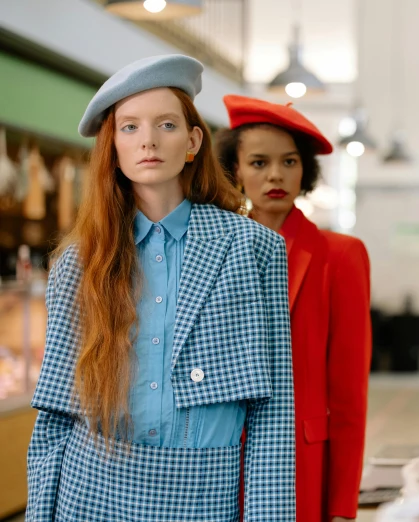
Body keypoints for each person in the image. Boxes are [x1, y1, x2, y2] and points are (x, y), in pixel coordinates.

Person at [26, 55, 295, 521]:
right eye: (129, 128)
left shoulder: (254, 248)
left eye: (166, 124)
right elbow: (56, 411)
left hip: (204, 495)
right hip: (90, 491)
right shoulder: (79, 261)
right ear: (112, 147)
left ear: (193, 141)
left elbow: (274, 410)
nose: (147, 140)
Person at [217, 95, 372, 522]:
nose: (275, 176)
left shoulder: (340, 256)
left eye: (289, 162)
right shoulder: (215, 252)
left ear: (305, 171)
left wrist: (343, 504)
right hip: (218, 460)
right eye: (259, 162)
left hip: (301, 462)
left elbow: (348, 390)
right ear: (236, 170)